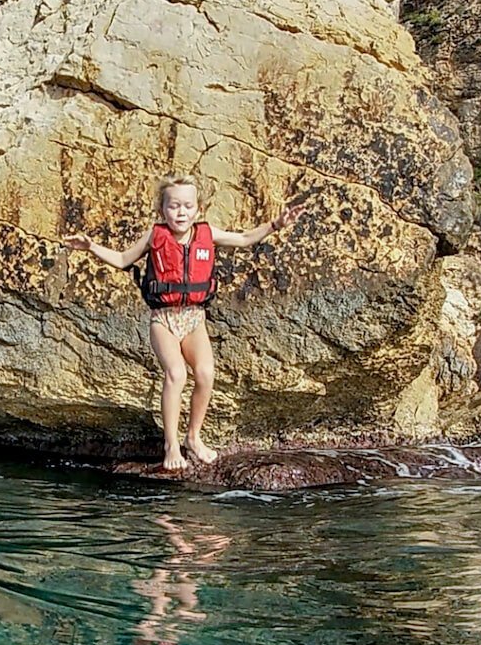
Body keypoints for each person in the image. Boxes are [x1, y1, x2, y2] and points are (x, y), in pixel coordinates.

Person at [64, 174, 305, 471]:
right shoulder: (156, 235)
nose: (181, 212)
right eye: (174, 206)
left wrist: (276, 225)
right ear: (162, 210)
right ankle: (171, 444)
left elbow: (243, 239)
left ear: (198, 209)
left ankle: (193, 436)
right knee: (176, 374)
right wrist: (91, 247)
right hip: (163, 320)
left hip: (193, 319)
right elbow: (124, 259)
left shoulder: (206, 233)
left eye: (187, 206)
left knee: (205, 373)